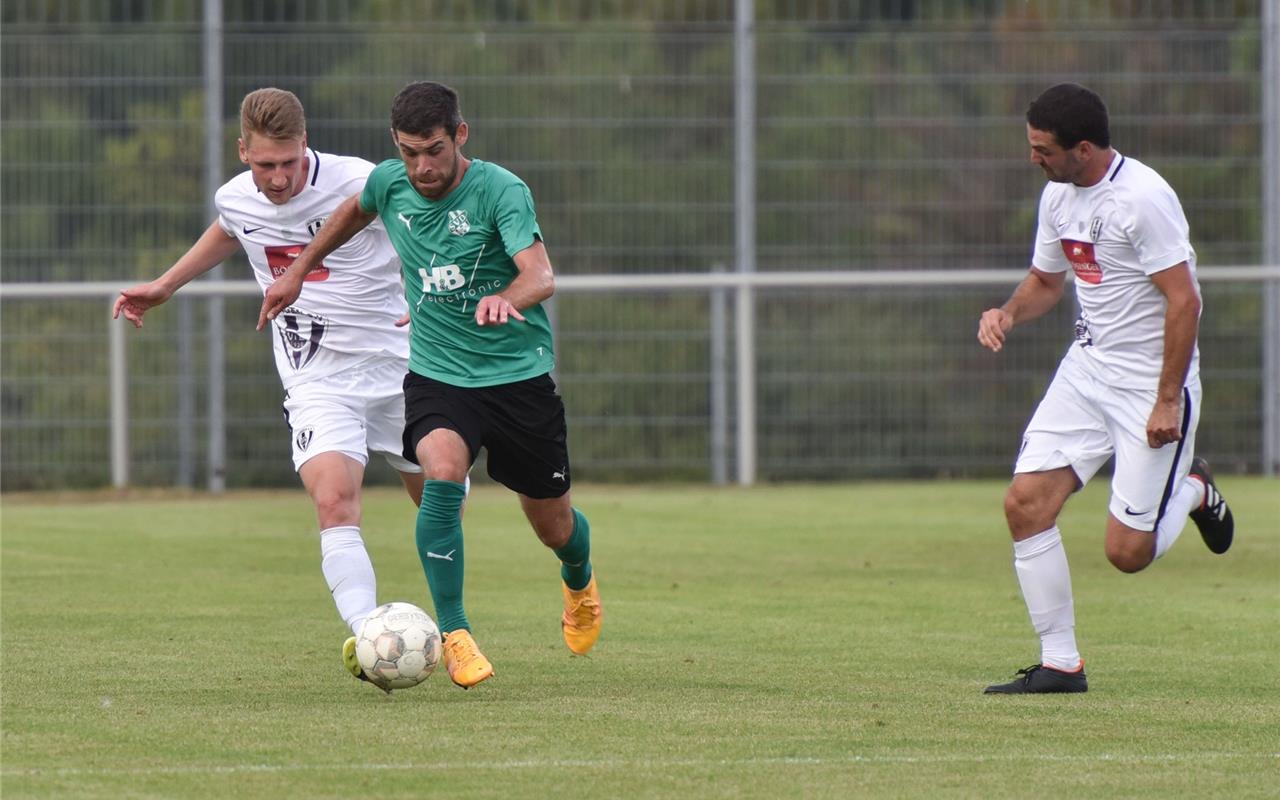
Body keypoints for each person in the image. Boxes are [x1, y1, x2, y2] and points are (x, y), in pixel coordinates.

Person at [258, 80, 601, 689]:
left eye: (434, 150)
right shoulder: (390, 183)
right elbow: (350, 214)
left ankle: (579, 582)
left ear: (459, 135)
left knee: (554, 525)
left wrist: (505, 297)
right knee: (441, 470)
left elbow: (540, 275)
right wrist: (298, 275)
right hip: (438, 375)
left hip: (517, 380)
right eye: (410, 151)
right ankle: (457, 633)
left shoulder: (501, 189)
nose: (422, 166)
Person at [114, 88, 427, 689]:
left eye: (288, 162)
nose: (278, 178)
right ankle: (369, 637)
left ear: (305, 146)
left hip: (400, 366)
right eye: (264, 166)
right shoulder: (235, 196)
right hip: (317, 374)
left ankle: (456, 624)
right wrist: (165, 284)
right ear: (243, 153)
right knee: (335, 500)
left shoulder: (358, 180)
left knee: (442, 500)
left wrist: (423, 292)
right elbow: (232, 228)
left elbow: (420, 227)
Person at [976, 83, 1235, 694]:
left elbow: (1185, 300)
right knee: (1024, 504)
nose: (1033, 157)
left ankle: (1194, 489)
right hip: (1086, 373)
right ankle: (1060, 664)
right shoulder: (1057, 196)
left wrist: (1168, 398)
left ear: (1083, 148)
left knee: (1127, 553)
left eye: (1042, 148)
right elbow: (1046, 280)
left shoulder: (1143, 199)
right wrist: (1009, 312)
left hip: (1150, 388)